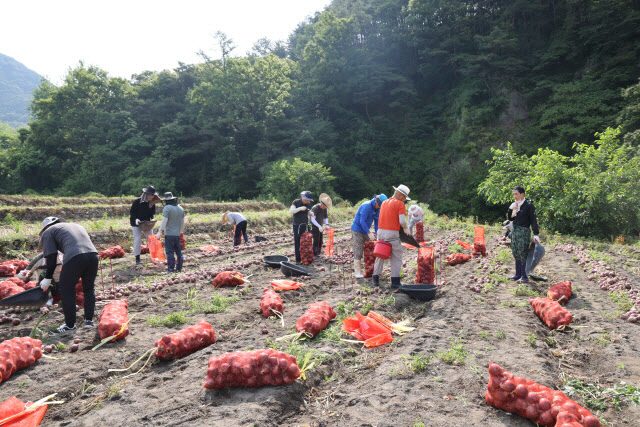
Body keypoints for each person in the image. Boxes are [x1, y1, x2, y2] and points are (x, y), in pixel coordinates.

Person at [38, 217, 99, 333]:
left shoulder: (48, 232)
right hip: (93, 255)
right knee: (89, 288)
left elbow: (51, 257)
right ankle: (89, 321)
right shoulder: (75, 225)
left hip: (75, 257)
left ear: (46, 227)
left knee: (67, 290)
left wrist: (47, 278)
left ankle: (70, 325)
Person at [373, 185, 411, 288]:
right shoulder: (400, 204)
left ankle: (375, 280)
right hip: (392, 233)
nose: (404, 199)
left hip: (380, 232)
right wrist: (406, 228)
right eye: (404, 197)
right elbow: (402, 221)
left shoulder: (384, 203)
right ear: (401, 194)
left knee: (380, 255)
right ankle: (395, 282)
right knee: (396, 256)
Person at [507, 186, 540, 283]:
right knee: (515, 251)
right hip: (515, 231)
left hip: (524, 232)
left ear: (522, 194)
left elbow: (533, 220)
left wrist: (535, 233)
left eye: (516, 194)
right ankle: (517, 274)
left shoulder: (528, 206)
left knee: (523, 253)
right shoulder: (515, 204)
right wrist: (511, 209)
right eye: (513, 194)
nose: (514, 196)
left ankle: (524, 276)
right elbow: (511, 218)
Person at [350, 194, 388, 278]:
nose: (380, 207)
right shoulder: (366, 206)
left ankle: (370, 269)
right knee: (358, 249)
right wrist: (368, 232)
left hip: (366, 230)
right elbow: (362, 221)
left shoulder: (377, 209)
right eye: (380, 205)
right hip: (357, 230)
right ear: (376, 202)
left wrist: (377, 233)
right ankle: (357, 272)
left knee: (370, 248)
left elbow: (376, 222)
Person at [130, 185, 160, 265]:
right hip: (136, 223)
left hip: (147, 223)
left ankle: (154, 256)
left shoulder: (152, 203)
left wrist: (152, 218)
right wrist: (136, 219)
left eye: (153, 195)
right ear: (147, 195)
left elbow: (152, 214)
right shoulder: (137, 202)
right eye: (151, 195)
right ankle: (137, 258)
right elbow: (132, 212)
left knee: (151, 239)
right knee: (137, 240)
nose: (152, 197)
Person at [156, 192, 185, 273]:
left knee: (170, 252)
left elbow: (164, 221)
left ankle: (171, 270)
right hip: (177, 235)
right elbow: (182, 222)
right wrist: (181, 232)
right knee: (178, 252)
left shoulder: (167, 208)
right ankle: (179, 269)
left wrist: (159, 232)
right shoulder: (181, 208)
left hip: (169, 234)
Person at [289, 191, 313, 264]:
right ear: (303, 198)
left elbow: (308, 212)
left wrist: (310, 213)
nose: (308, 201)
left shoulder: (308, 204)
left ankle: (306, 258)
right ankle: (298, 259)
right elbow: (291, 211)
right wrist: (299, 208)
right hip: (297, 225)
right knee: (298, 242)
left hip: (305, 225)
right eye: (307, 199)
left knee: (307, 241)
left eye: (309, 200)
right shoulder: (296, 202)